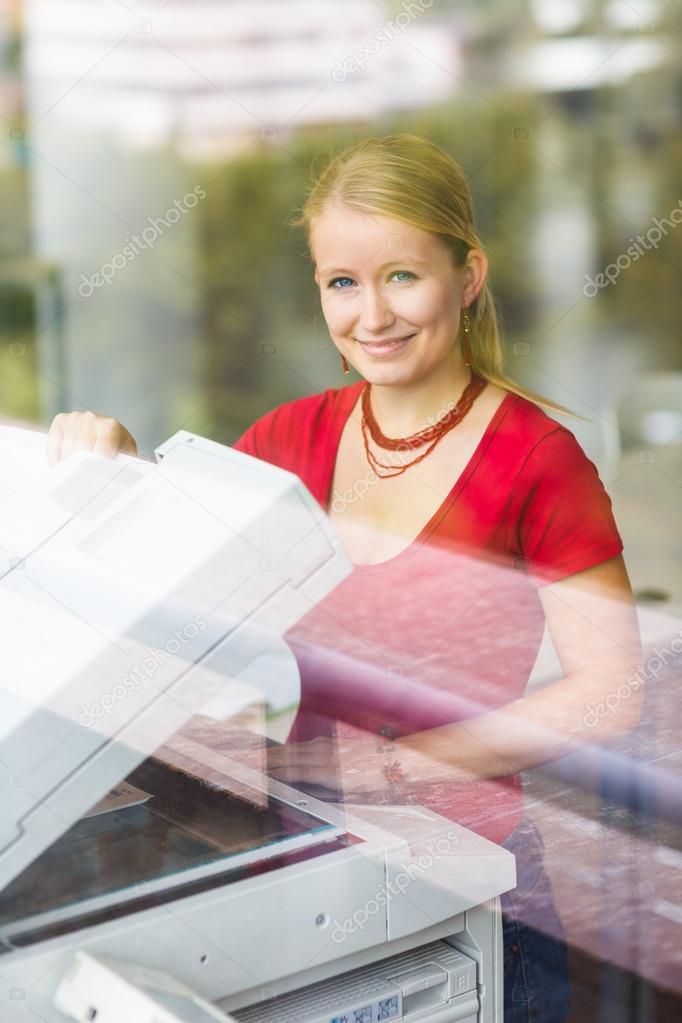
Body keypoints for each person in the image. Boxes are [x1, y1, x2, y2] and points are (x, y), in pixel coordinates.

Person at [48, 134, 642, 1022]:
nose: (373, 315)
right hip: (306, 884)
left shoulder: (538, 461)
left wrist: (407, 765)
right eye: (342, 282)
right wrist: (122, 480)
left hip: (481, 906)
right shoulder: (285, 440)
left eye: (403, 275)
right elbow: (177, 609)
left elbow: (612, 692)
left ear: (469, 276)